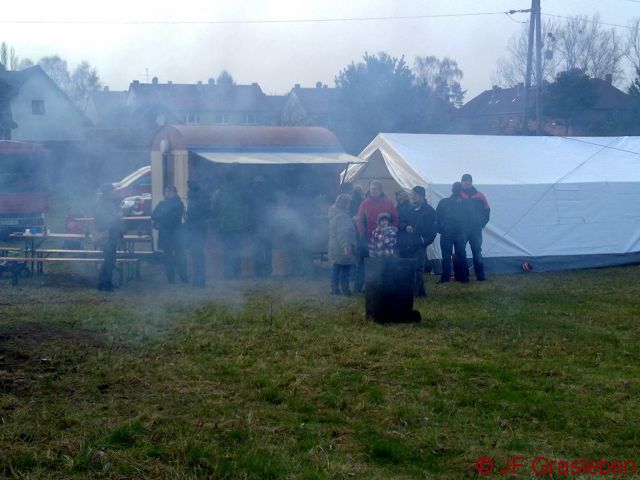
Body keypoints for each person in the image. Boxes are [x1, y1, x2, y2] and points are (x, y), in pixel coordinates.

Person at [354, 180, 398, 291]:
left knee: (381, 262)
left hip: (384, 238)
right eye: (372, 189)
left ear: (380, 189)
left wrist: (391, 232)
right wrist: (362, 233)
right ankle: (358, 285)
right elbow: (359, 219)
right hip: (368, 237)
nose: (373, 191)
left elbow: (395, 218)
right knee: (363, 261)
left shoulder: (388, 202)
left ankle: (378, 284)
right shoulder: (365, 203)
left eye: (375, 189)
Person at [403, 186, 438, 297]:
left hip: (419, 244)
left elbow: (433, 230)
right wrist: (405, 226)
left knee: (418, 268)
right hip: (409, 243)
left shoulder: (429, 211)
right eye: (412, 194)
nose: (412, 197)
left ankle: (415, 292)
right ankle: (421, 292)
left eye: (414, 194)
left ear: (421, 196)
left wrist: (424, 241)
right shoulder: (409, 209)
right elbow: (403, 221)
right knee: (411, 267)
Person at [211, 174, 247, 279]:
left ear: (224, 179)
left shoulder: (219, 192)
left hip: (224, 225)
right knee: (236, 249)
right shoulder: (239, 192)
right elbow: (245, 207)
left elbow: (214, 208)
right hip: (238, 225)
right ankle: (237, 272)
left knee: (226, 250)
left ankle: (227, 273)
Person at [436, 182, 472, 283]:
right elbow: (470, 218)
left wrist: (440, 229)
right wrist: (466, 230)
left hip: (447, 232)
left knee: (446, 255)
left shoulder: (444, 202)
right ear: (461, 190)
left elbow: (437, 217)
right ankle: (463, 277)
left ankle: (445, 278)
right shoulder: (467, 203)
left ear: (452, 190)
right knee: (461, 254)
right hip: (460, 232)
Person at [152, 185, 188, 284]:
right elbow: (154, 215)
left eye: (167, 192)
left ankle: (181, 278)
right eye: (165, 192)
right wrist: (163, 217)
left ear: (173, 192)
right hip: (169, 234)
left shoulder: (178, 204)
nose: (165, 194)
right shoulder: (164, 203)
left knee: (178, 256)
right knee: (171, 257)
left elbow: (171, 218)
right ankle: (175, 278)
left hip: (174, 234)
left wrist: (161, 219)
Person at [94, 183, 123, 292]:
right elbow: (106, 221)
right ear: (107, 192)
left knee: (111, 260)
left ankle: (106, 282)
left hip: (111, 235)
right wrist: (118, 216)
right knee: (108, 260)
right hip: (105, 235)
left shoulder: (108, 203)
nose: (114, 193)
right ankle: (103, 284)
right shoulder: (102, 205)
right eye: (112, 191)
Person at [460, 173, 490, 281]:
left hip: (475, 230)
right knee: (461, 251)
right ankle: (464, 275)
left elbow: (487, 211)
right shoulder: (457, 195)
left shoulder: (480, 196)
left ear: (471, 182)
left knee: (477, 251)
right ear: (461, 182)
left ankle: (480, 275)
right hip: (462, 230)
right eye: (464, 181)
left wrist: (480, 224)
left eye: (468, 180)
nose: (466, 183)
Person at [328, 193, 357, 296]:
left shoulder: (334, 214)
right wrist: (346, 245)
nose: (349, 205)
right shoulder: (342, 216)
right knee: (345, 268)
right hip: (342, 247)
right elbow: (344, 232)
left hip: (335, 246)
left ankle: (334, 289)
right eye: (348, 203)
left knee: (336, 267)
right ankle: (345, 290)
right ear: (345, 203)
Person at [248, 175, 275, 278]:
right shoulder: (269, 193)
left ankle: (259, 271)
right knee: (266, 249)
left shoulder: (252, 193)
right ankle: (267, 270)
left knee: (258, 249)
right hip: (265, 225)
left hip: (257, 225)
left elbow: (250, 210)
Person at [184, 180, 209, 287]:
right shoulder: (202, 199)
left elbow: (190, 219)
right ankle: (200, 279)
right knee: (199, 256)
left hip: (195, 232)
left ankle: (198, 280)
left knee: (196, 256)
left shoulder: (193, 202)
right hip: (201, 230)